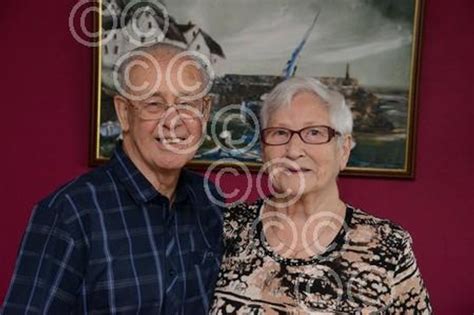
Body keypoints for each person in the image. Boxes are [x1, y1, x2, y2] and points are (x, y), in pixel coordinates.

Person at [1, 43, 223, 314]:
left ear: (206, 110)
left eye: (187, 103)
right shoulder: (69, 214)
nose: (173, 120)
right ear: (123, 113)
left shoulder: (211, 204)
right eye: (154, 104)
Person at [210, 77, 432, 314]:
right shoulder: (224, 227)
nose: (294, 150)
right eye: (280, 133)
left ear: (344, 150)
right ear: (264, 151)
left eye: (314, 132)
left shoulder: (389, 246)